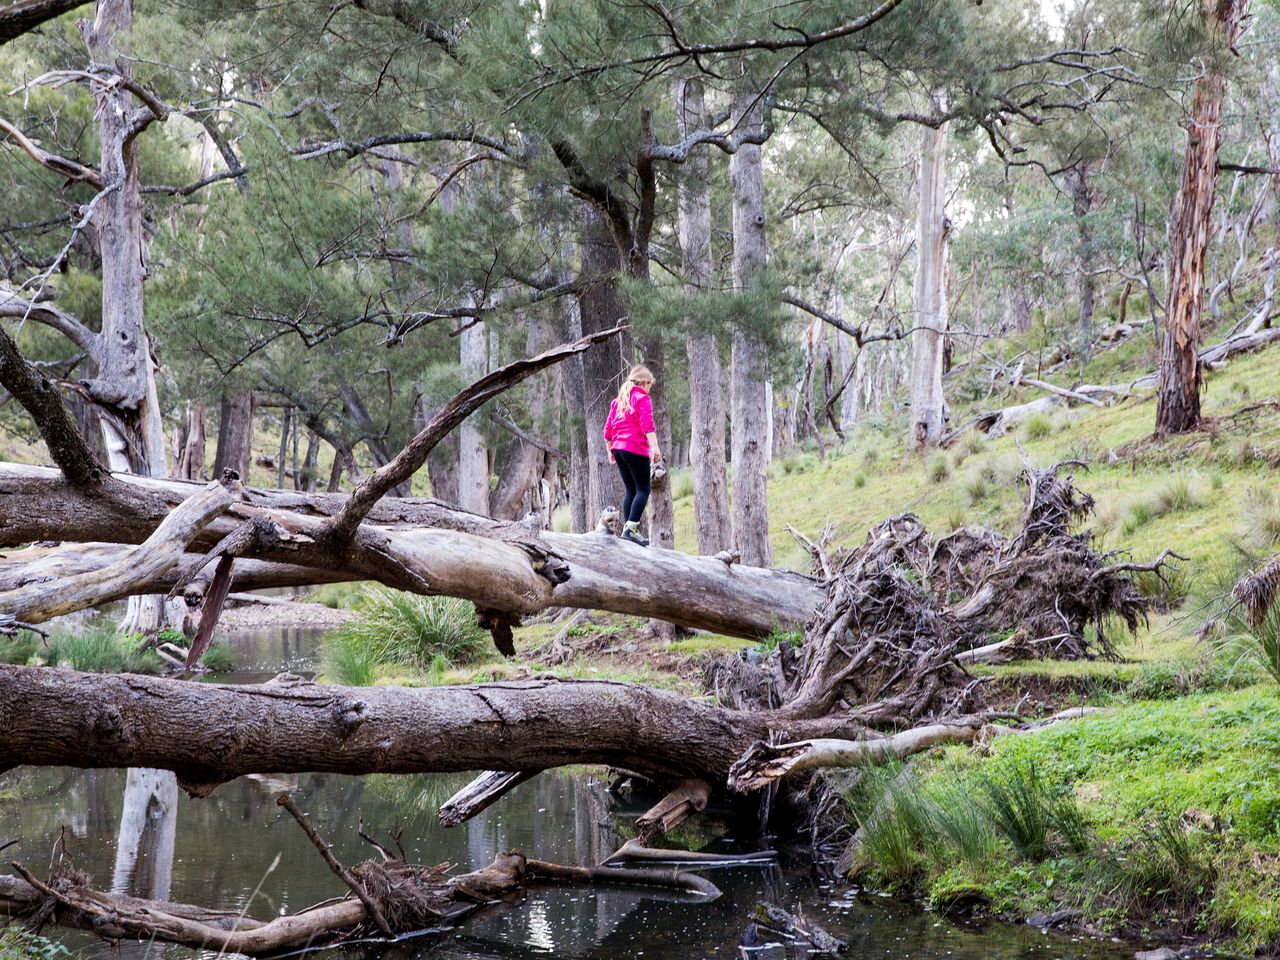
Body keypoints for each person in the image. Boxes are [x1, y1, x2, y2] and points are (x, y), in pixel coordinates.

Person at [603, 364, 663, 546]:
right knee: (644, 489)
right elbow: (647, 425)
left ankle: (627, 532)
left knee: (631, 489)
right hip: (635, 448)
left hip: (619, 449)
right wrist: (655, 447)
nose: (649, 389)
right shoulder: (641, 398)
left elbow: (607, 431)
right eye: (650, 385)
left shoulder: (618, 401)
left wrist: (610, 452)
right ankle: (631, 528)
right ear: (644, 383)